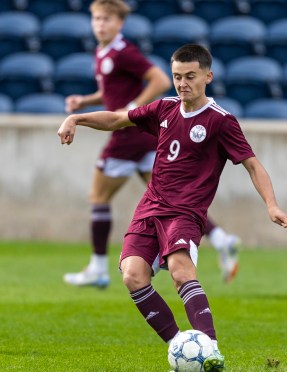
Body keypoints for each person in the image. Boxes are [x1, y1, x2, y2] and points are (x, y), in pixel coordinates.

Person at [57, 44, 287, 372]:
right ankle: (181, 348)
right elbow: (116, 119)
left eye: (190, 77)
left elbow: (253, 166)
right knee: (132, 275)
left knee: (181, 271)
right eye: (177, 77)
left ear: (208, 77)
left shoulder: (221, 122)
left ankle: (210, 351)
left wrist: (272, 206)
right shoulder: (163, 109)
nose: (183, 84)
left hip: (185, 213)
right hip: (149, 209)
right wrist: (76, 118)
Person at [63, 0, 241, 288]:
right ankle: (222, 239)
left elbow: (158, 79)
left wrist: (131, 108)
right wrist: (85, 101)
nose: (100, 24)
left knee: (97, 197)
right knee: (170, 200)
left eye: (106, 19)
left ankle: (97, 266)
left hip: (129, 133)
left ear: (120, 23)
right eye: (96, 19)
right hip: (148, 139)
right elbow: (112, 91)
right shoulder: (103, 52)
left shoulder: (123, 52)